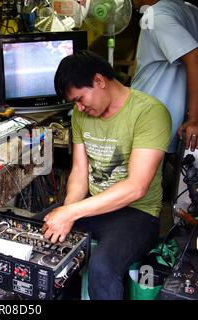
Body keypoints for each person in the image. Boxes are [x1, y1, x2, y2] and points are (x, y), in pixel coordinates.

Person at [42, 50, 171, 300]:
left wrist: (72, 213)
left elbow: (136, 187)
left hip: (139, 213)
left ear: (99, 81)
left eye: (80, 98)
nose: (79, 108)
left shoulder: (150, 112)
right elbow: (80, 171)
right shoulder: (80, 115)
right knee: (39, 234)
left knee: (103, 268)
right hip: (92, 206)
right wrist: (68, 212)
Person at [131, 0, 198, 153]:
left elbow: (194, 58)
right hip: (173, 121)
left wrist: (194, 119)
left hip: (155, 121)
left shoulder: (154, 15)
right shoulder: (190, 10)